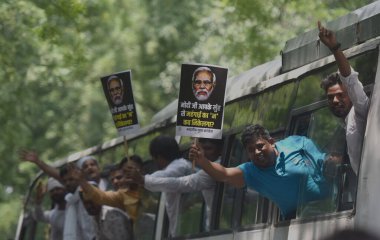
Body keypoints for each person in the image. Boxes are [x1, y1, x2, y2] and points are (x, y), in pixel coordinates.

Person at [190, 124, 331, 219]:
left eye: (260, 146)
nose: (256, 152)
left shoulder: (296, 143)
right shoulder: (251, 171)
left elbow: (324, 163)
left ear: (271, 141)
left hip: (332, 208)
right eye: (251, 150)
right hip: (296, 221)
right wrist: (202, 161)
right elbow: (224, 174)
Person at [127, 138, 223, 232]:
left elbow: (174, 182)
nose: (202, 153)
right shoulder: (194, 167)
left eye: (208, 148)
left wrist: (142, 179)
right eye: (200, 149)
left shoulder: (181, 167)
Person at [318, 21, 369, 175]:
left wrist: (334, 48)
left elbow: (350, 79)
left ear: (351, 95)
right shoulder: (342, 126)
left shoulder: (361, 110)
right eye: (331, 97)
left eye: (340, 95)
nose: (335, 101)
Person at [126, 135, 192, 237]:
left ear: (159, 157)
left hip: (186, 229)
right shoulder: (182, 165)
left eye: (154, 159)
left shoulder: (180, 167)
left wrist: (141, 179)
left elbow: (163, 177)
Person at [68, 163, 141, 223]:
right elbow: (101, 196)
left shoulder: (148, 184)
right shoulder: (121, 195)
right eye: (112, 180)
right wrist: (82, 181)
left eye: (119, 177)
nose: (115, 182)